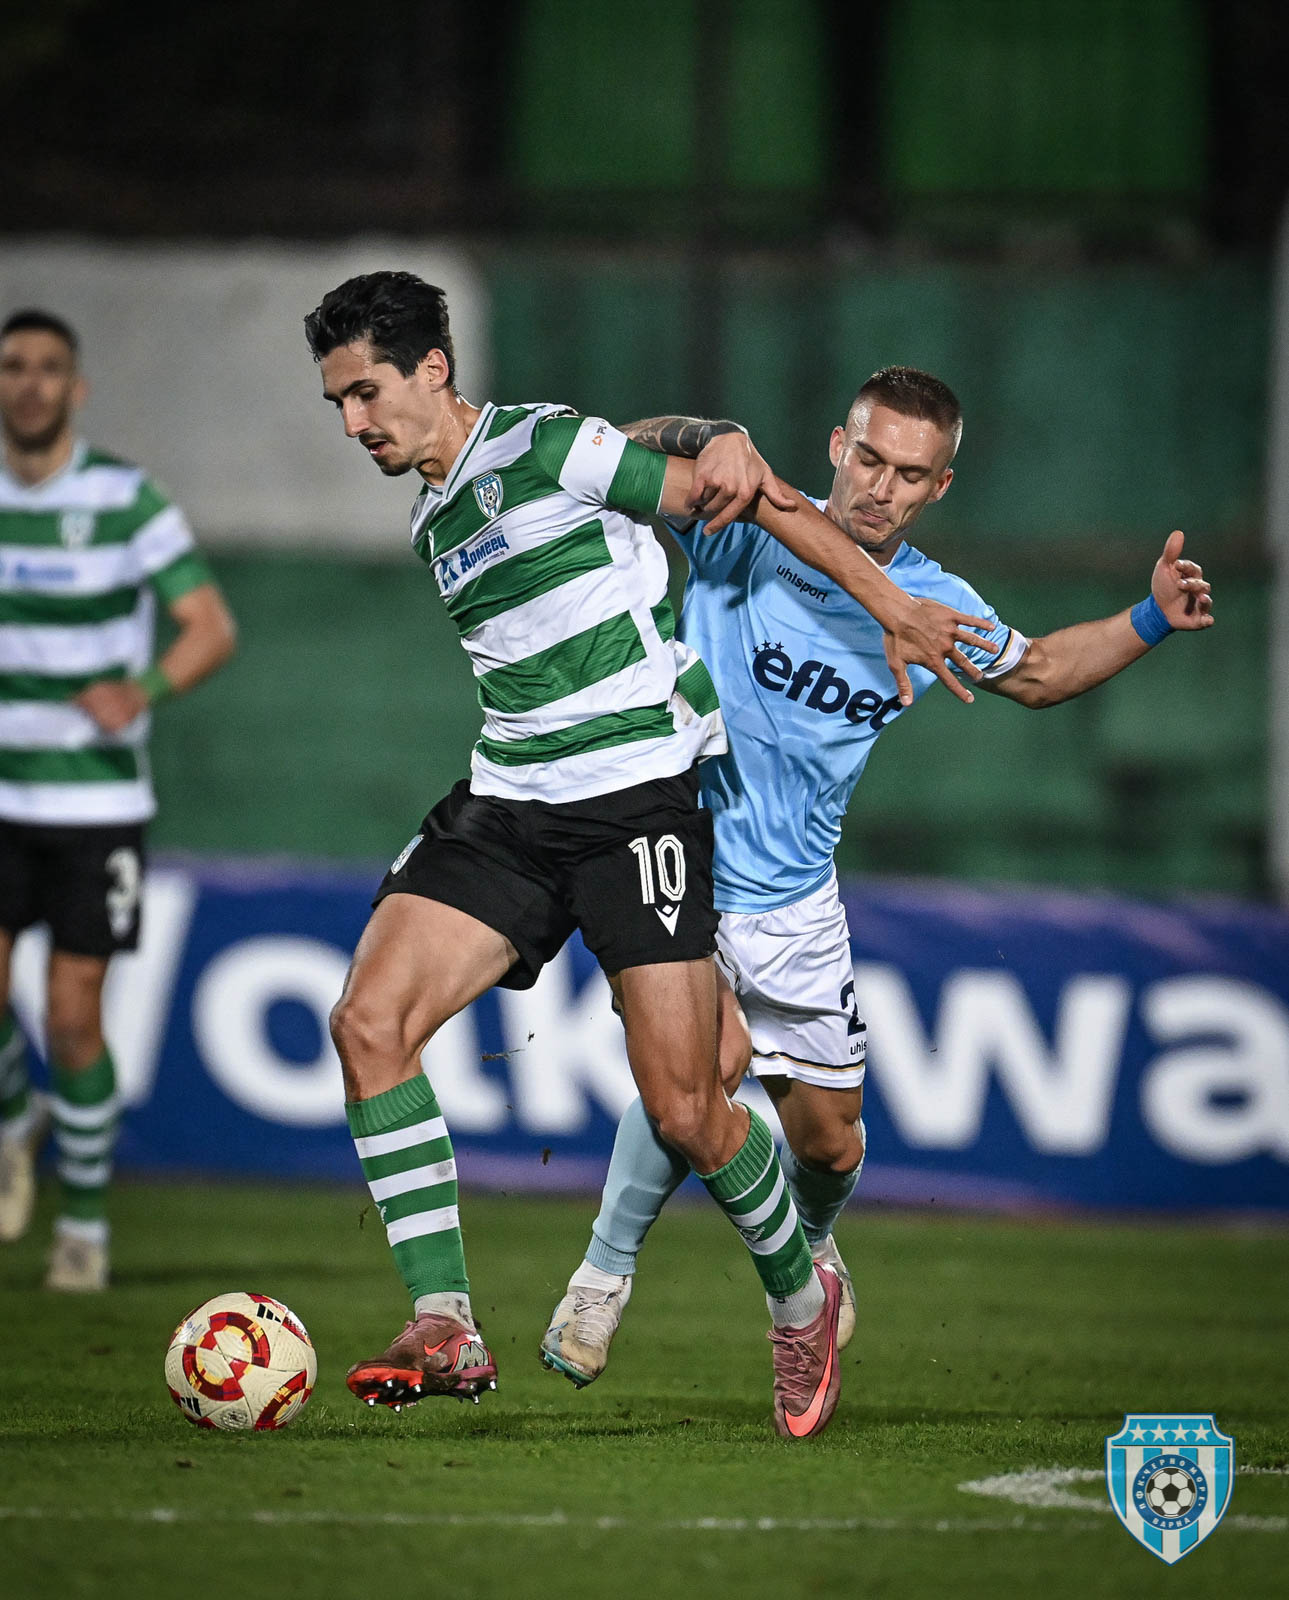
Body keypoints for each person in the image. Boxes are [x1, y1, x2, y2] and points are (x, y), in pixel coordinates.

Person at [302, 274, 1001, 1438]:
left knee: (686, 1107)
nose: (352, 422)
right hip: (510, 800)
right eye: (337, 401)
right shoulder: (434, 512)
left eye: (365, 392)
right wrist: (705, 433)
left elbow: (745, 492)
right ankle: (443, 1318)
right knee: (367, 1024)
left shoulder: (545, 446)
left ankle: (799, 1301)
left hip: (636, 805)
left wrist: (886, 601)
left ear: (433, 369)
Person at [539, 366, 1214, 1386]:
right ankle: (601, 1277)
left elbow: (1037, 673)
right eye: (868, 458)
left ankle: (813, 1241)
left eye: (908, 474)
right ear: (835, 447)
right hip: (678, 859)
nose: (879, 487)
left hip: (796, 903)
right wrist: (708, 433)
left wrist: (1149, 617)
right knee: (698, 1072)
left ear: (938, 487)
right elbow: (606, 455)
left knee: (830, 1145)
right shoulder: (744, 523)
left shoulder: (934, 604)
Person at [0, 309, 237, 1290]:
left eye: (48, 367)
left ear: (77, 388)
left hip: (95, 807)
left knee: (72, 1019)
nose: (29, 383)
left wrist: (141, 689)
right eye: (13, 366)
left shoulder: (126, 499)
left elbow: (209, 626)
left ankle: (84, 1223)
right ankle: (14, 1119)